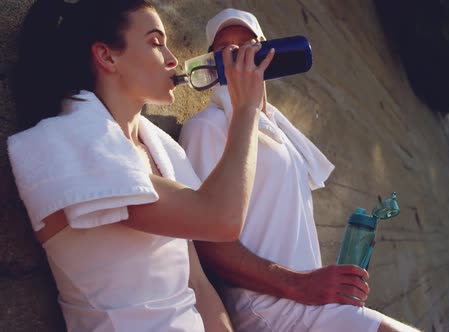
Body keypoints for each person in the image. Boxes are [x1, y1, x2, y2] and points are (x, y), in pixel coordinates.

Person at [7, 1, 274, 331]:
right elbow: (222, 219)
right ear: (107, 56)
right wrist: (245, 109)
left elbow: (198, 286)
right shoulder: (66, 144)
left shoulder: (163, 152)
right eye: (155, 42)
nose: (173, 59)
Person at [179, 8, 421, 332]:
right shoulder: (206, 127)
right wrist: (301, 285)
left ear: (268, 53)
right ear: (213, 62)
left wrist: (324, 283)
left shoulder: (280, 130)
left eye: (249, 44)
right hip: (270, 309)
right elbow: (207, 240)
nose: (238, 55)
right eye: (225, 49)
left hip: (311, 300)